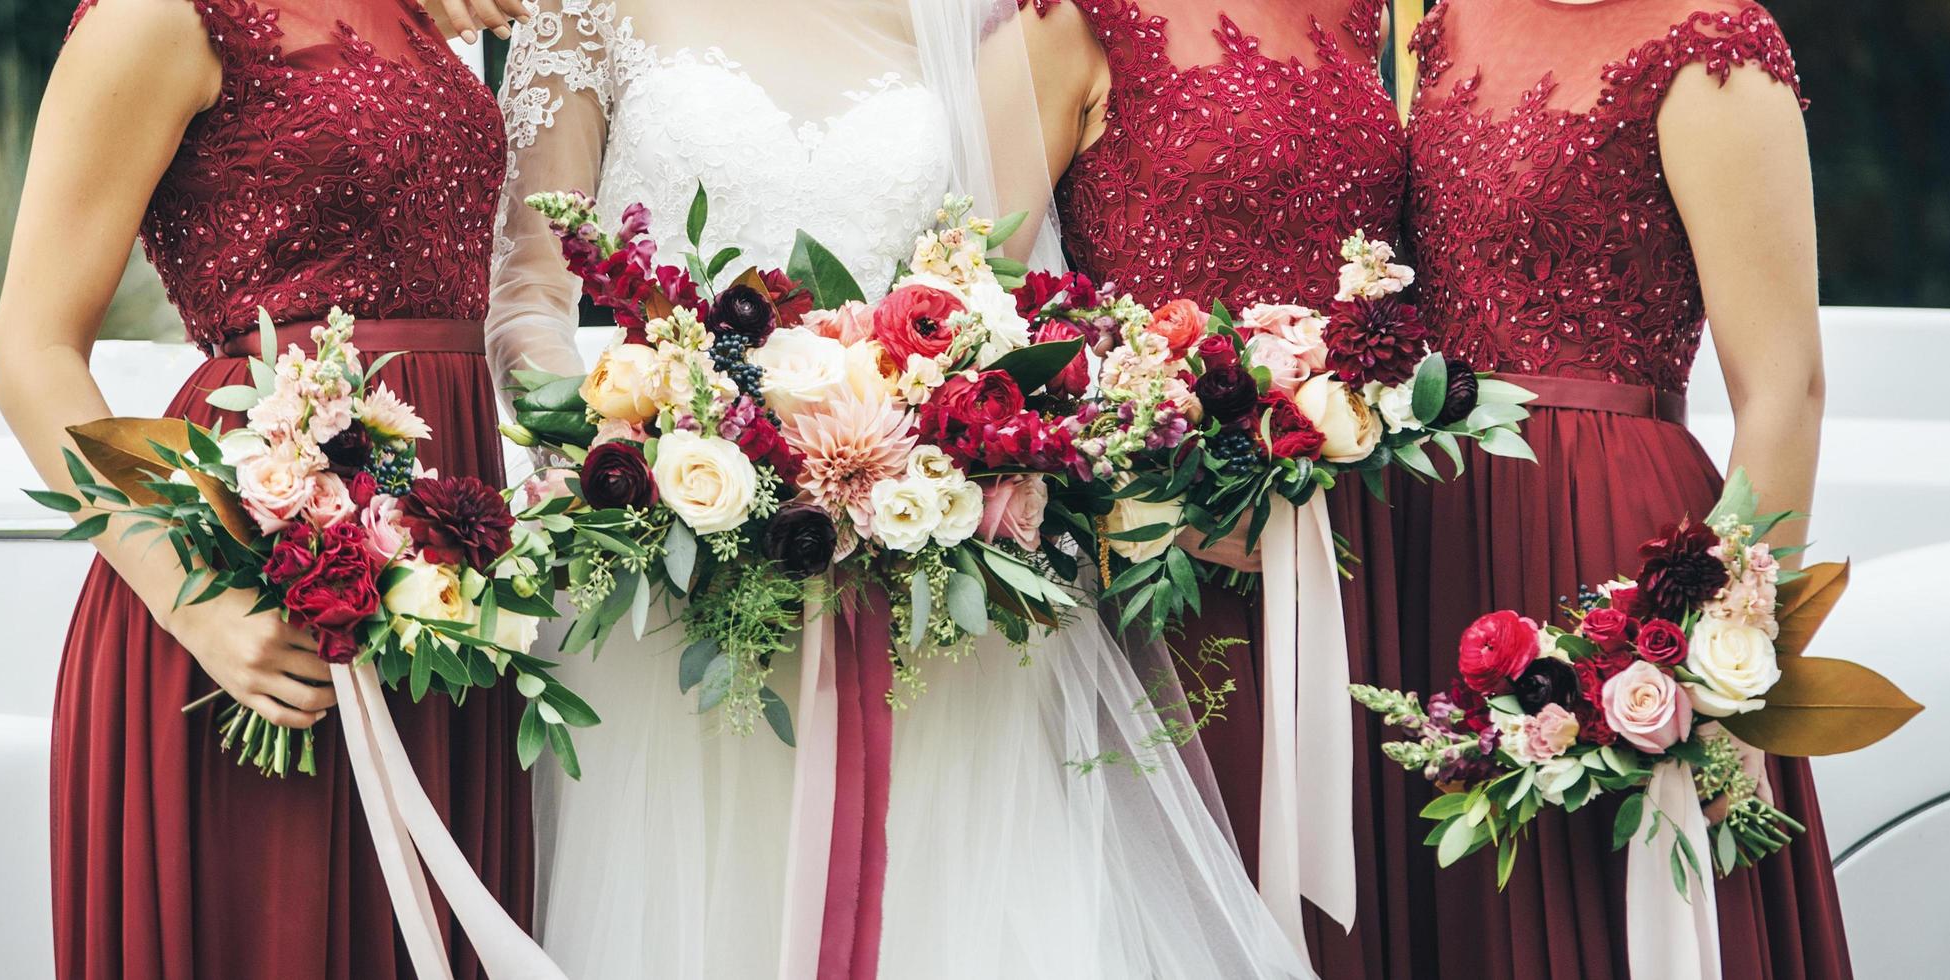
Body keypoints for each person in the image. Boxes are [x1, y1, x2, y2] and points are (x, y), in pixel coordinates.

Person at [452, 0, 1310, 975]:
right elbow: (530, 290)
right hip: (671, 556)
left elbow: (984, 288)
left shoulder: (979, 21)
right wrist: (620, 456)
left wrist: (928, 459)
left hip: (915, 573)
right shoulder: (584, 10)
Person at [0, 0, 535, 974]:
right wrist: (198, 607)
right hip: (255, 581)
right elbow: (31, 357)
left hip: (443, 585)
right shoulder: (158, 16)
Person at [1389, 0, 1851, 976]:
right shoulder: (1452, 18)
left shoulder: (1712, 42)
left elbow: (1783, 391)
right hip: (1434, 534)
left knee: (1611, 903)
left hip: (1604, 540)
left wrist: (1723, 659)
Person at [1020, 1, 1412, 973]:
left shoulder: (1357, 13)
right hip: (1172, 558)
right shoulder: (1071, 21)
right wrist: (1136, 474)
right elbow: (979, 292)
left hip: (1357, 537)